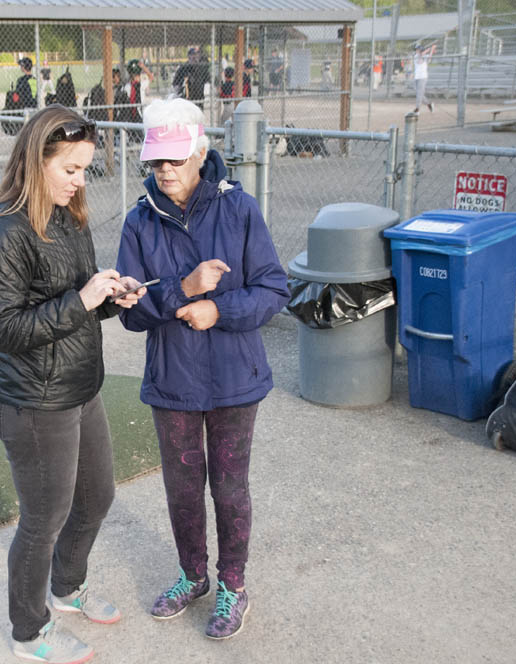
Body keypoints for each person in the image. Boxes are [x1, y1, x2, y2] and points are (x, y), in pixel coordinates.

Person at [0, 105, 146, 664]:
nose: (79, 181)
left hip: (80, 386)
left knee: (97, 496)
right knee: (43, 520)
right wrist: (82, 300)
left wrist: (110, 297)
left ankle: (67, 588)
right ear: (36, 160)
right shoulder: (2, 230)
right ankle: (29, 632)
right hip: (33, 401)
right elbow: (5, 330)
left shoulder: (69, 216)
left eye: (84, 169)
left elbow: (76, 301)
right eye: (69, 169)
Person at [115, 98, 290, 640]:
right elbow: (131, 313)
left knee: (230, 488)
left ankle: (233, 584)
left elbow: (274, 289)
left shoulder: (240, 210)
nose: (164, 170)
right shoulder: (139, 222)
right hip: (174, 381)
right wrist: (182, 290)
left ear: (200, 151)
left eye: (175, 158)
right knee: (183, 489)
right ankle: (193, 575)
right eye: (156, 160)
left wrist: (219, 309)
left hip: (236, 379)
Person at [412, 43, 435, 113]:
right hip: (416, 77)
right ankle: (429, 104)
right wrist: (428, 50)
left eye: (418, 49)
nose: (416, 50)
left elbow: (429, 58)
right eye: (416, 49)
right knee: (419, 93)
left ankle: (417, 109)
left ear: (421, 49)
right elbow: (420, 58)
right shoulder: (416, 56)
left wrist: (432, 49)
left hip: (423, 77)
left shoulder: (425, 56)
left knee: (419, 93)